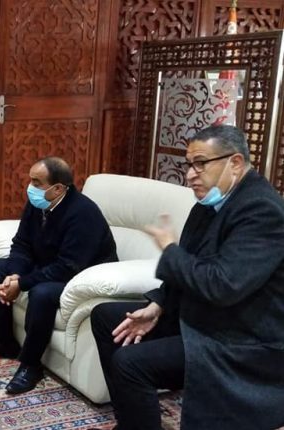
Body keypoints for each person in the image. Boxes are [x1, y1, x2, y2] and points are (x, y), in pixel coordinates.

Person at [91, 125, 284, 430]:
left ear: (235, 163)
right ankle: (132, 419)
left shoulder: (262, 211)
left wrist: (169, 249)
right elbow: (189, 269)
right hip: (202, 316)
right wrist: (158, 304)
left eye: (200, 164)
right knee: (106, 317)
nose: (191, 175)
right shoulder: (208, 205)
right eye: (189, 165)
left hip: (240, 337)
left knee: (130, 365)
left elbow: (222, 285)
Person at [0, 157, 117, 394]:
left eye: (37, 183)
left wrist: (22, 283)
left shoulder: (83, 213)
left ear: (58, 188)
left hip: (81, 276)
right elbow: (22, 244)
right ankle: (4, 341)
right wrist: (14, 274)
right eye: (30, 180)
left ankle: (30, 364)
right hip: (50, 265)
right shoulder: (38, 205)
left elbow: (68, 266)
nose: (30, 187)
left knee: (42, 293)